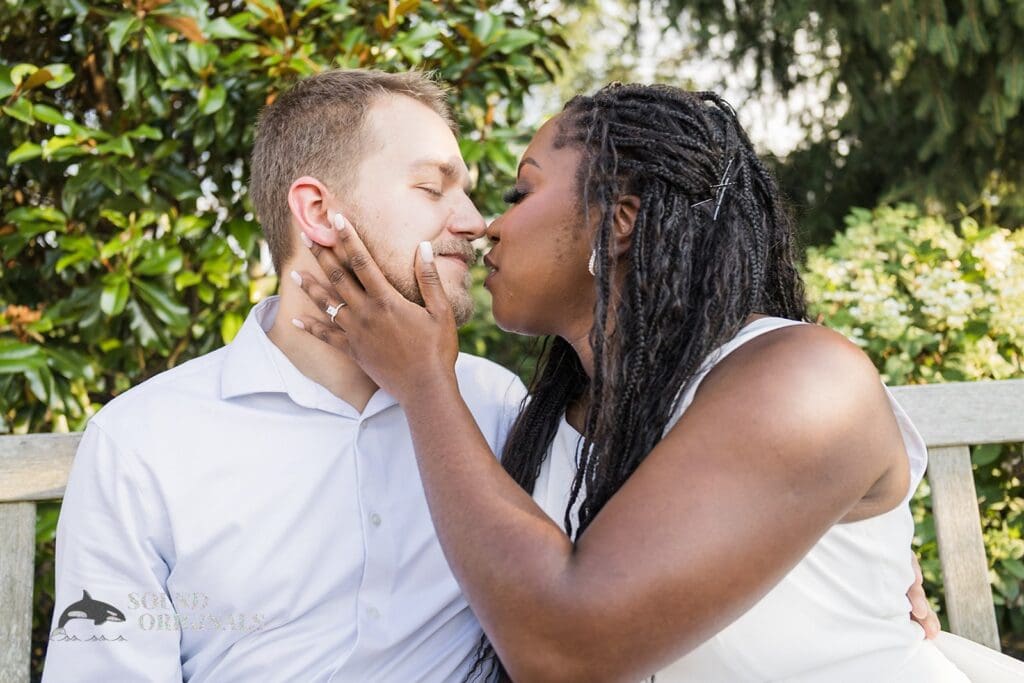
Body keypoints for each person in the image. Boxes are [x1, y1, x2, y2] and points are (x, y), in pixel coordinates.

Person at [291, 83, 967, 682]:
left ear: (620, 218)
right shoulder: (531, 416)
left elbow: (567, 653)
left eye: (518, 192)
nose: (485, 226)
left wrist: (422, 380)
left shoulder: (807, 380)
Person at [43, 69, 527, 682]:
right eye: (433, 189)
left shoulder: (495, 405)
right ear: (319, 212)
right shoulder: (141, 441)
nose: (474, 222)